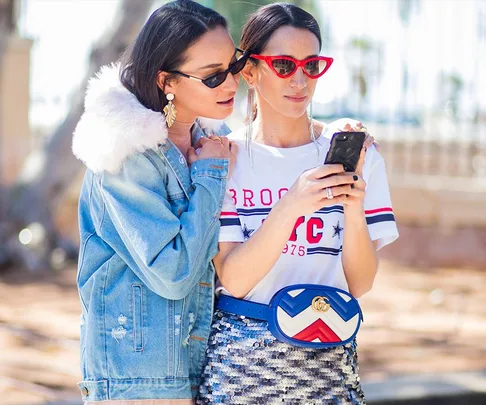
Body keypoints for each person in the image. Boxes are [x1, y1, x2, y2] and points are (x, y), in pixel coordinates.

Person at [197, 3, 399, 404]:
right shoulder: (223, 159)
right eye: (284, 65)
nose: (300, 80)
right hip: (242, 369)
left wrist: (353, 205)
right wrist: (293, 204)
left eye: (312, 65)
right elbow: (234, 278)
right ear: (251, 71)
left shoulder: (356, 153)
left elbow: (360, 282)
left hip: (330, 367)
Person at [71, 0, 249, 403]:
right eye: (212, 76)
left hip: (199, 368)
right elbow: (173, 273)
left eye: (233, 66)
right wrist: (210, 176)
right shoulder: (126, 156)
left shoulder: (212, 142)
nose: (230, 83)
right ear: (166, 80)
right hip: (138, 383)